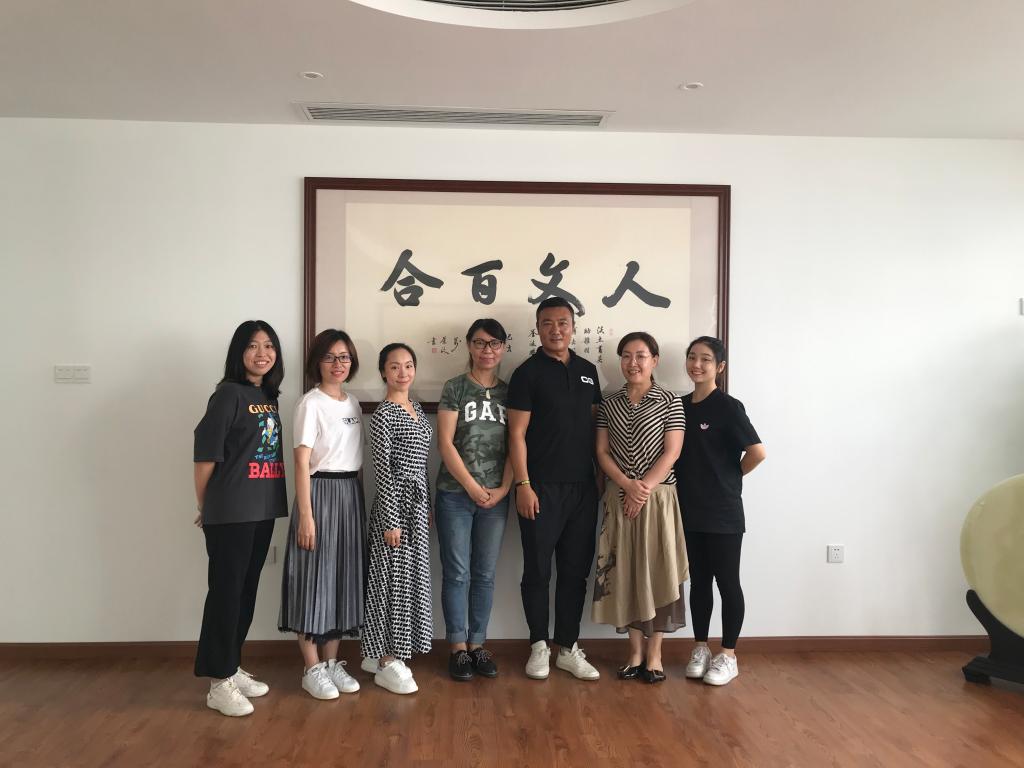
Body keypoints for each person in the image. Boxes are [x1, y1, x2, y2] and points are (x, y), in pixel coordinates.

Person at [193, 320, 288, 717]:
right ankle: (218, 682)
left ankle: (231, 665)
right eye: (252, 346)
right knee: (226, 594)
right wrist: (207, 507)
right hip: (231, 511)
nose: (262, 353)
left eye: (269, 346)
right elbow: (205, 455)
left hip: (262, 508)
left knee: (246, 591)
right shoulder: (227, 395)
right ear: (238, 352)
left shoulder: (266, 395)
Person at [507, 297, 602, 681]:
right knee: (538, 570)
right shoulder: (526, 373)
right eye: (548, 323)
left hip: (583, 489)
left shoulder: (588, 371)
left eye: (563, 322)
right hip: (540, 489)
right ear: (538, 328)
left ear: (573, 327)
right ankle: (538, 646)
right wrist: (523, 484)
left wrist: (598, 476)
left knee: (575, 572)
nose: (556, 329)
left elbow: (596, 428)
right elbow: (516, 434)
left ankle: (567, 647)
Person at [592, 332, 688, 684]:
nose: (633, 363)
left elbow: (672, 452)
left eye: (641, 356)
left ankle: (655, 654)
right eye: (626, 356)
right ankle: (634, 652)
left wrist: (642, 489)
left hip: (657, 499)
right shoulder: (609, 404)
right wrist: (627, 485)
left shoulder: (670, 401)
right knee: (625, 573)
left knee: (657, 570)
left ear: (654, 360)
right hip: (619, 498)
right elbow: (601, 452)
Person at [278, 329, 366, 700]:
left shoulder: (353, 404)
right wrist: (306, 515)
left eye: (344, 357)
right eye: (330, 357)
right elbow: (301, 463)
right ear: (317, 362)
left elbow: (355, 460)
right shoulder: (309, 403)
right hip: (319, 493)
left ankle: (331, 663)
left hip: (349, 494)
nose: (337, 364)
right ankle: (311, 667)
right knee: (312, 578)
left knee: (341, 578)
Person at [674, 336, 766, 687]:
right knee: (698, 581)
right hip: (688, 509)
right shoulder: (680, 406)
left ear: (720, 367)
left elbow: (757, 452)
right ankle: (700, 647)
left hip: (724, 510)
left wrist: (731, 477)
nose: (697, 364)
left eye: (706, 359)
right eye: (692, 357)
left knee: (727, 582)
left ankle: (728, 654)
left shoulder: (728, 407)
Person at [435, 319, 514, 681]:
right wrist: (469, 485)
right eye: (480, 343)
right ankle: (457, 648)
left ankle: (478, 644)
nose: (487, 350)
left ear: (503, 348)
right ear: (469, 345)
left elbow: (517, 445)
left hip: (496, 497)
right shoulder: (455, 387)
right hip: (455, 494)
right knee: (457, 573)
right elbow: (445, 443)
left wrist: (504, 488)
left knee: (484, 574)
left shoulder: (510, 393)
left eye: (494, 344)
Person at [361, 343, 434, 695]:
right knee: (390, 582)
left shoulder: (417, 409)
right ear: (383, 372)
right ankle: (385, 658)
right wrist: (391, 520)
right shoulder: (383, 415)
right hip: (395, 507)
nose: (403, 372)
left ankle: (390, 653)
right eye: (394, 366)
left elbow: (422, 465)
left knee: (410, 580)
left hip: (417, 507)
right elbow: (382, 473)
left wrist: (427, 505)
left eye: (408, 365)